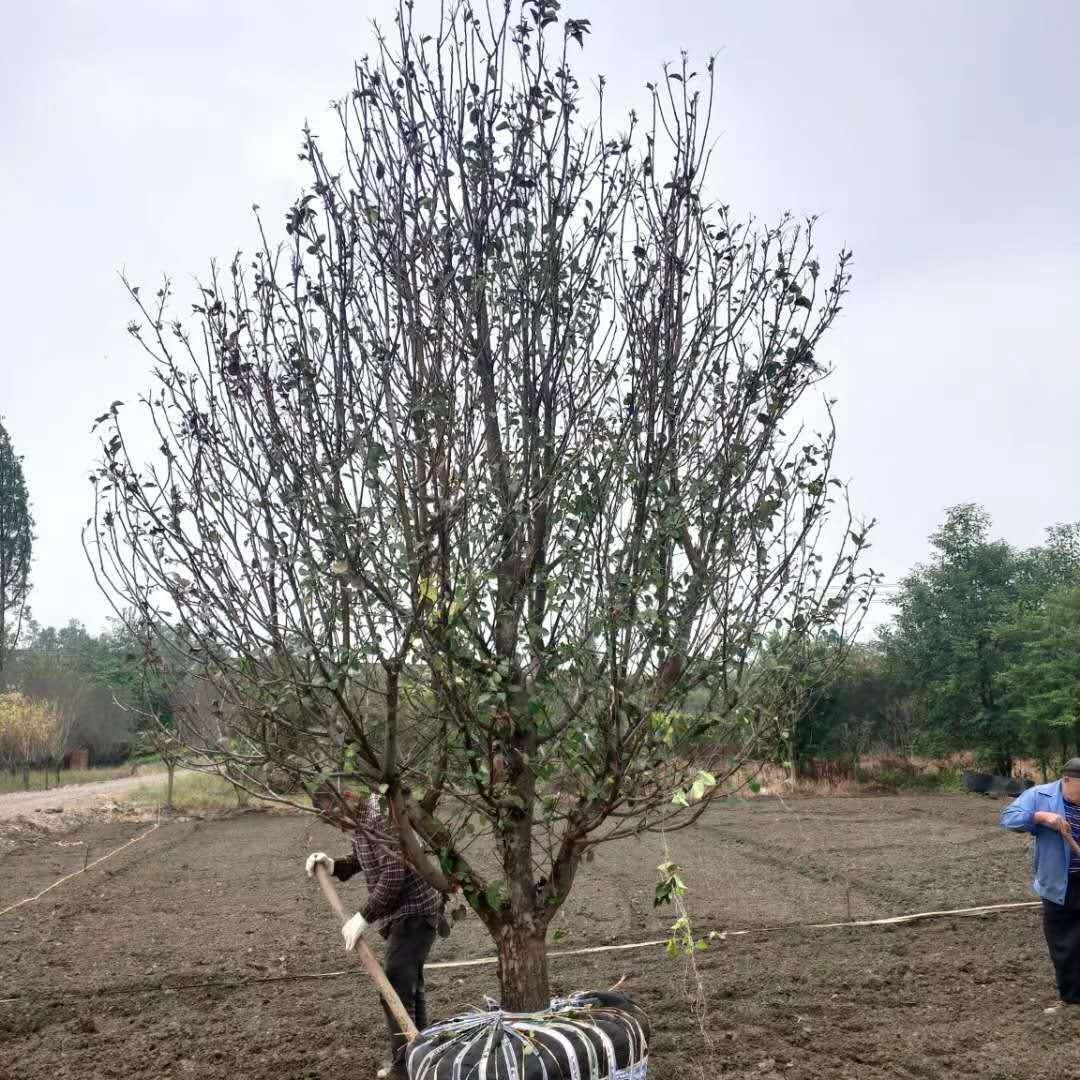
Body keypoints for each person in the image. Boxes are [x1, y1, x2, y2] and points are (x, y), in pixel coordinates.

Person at [307, 789, 445, 1079]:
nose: (337, 822)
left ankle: (404, 1069)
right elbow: (362, 856)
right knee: (409, 989)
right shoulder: (359, 818)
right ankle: (420, 1059)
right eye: (329, 819)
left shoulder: (381, 814)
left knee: (393, 990)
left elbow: (393, 876)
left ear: (345, 795)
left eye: (335, 813)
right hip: (404, 915)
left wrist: (362, 917)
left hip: (416, 912)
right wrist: (334, 865)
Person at [1001, 758, 1080, 1012]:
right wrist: (1041, 816)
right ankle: (1071, 998)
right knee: (1064, 943)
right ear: (1066, 781)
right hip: (1059, 883)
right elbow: (1009, 819)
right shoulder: (1040, 795)